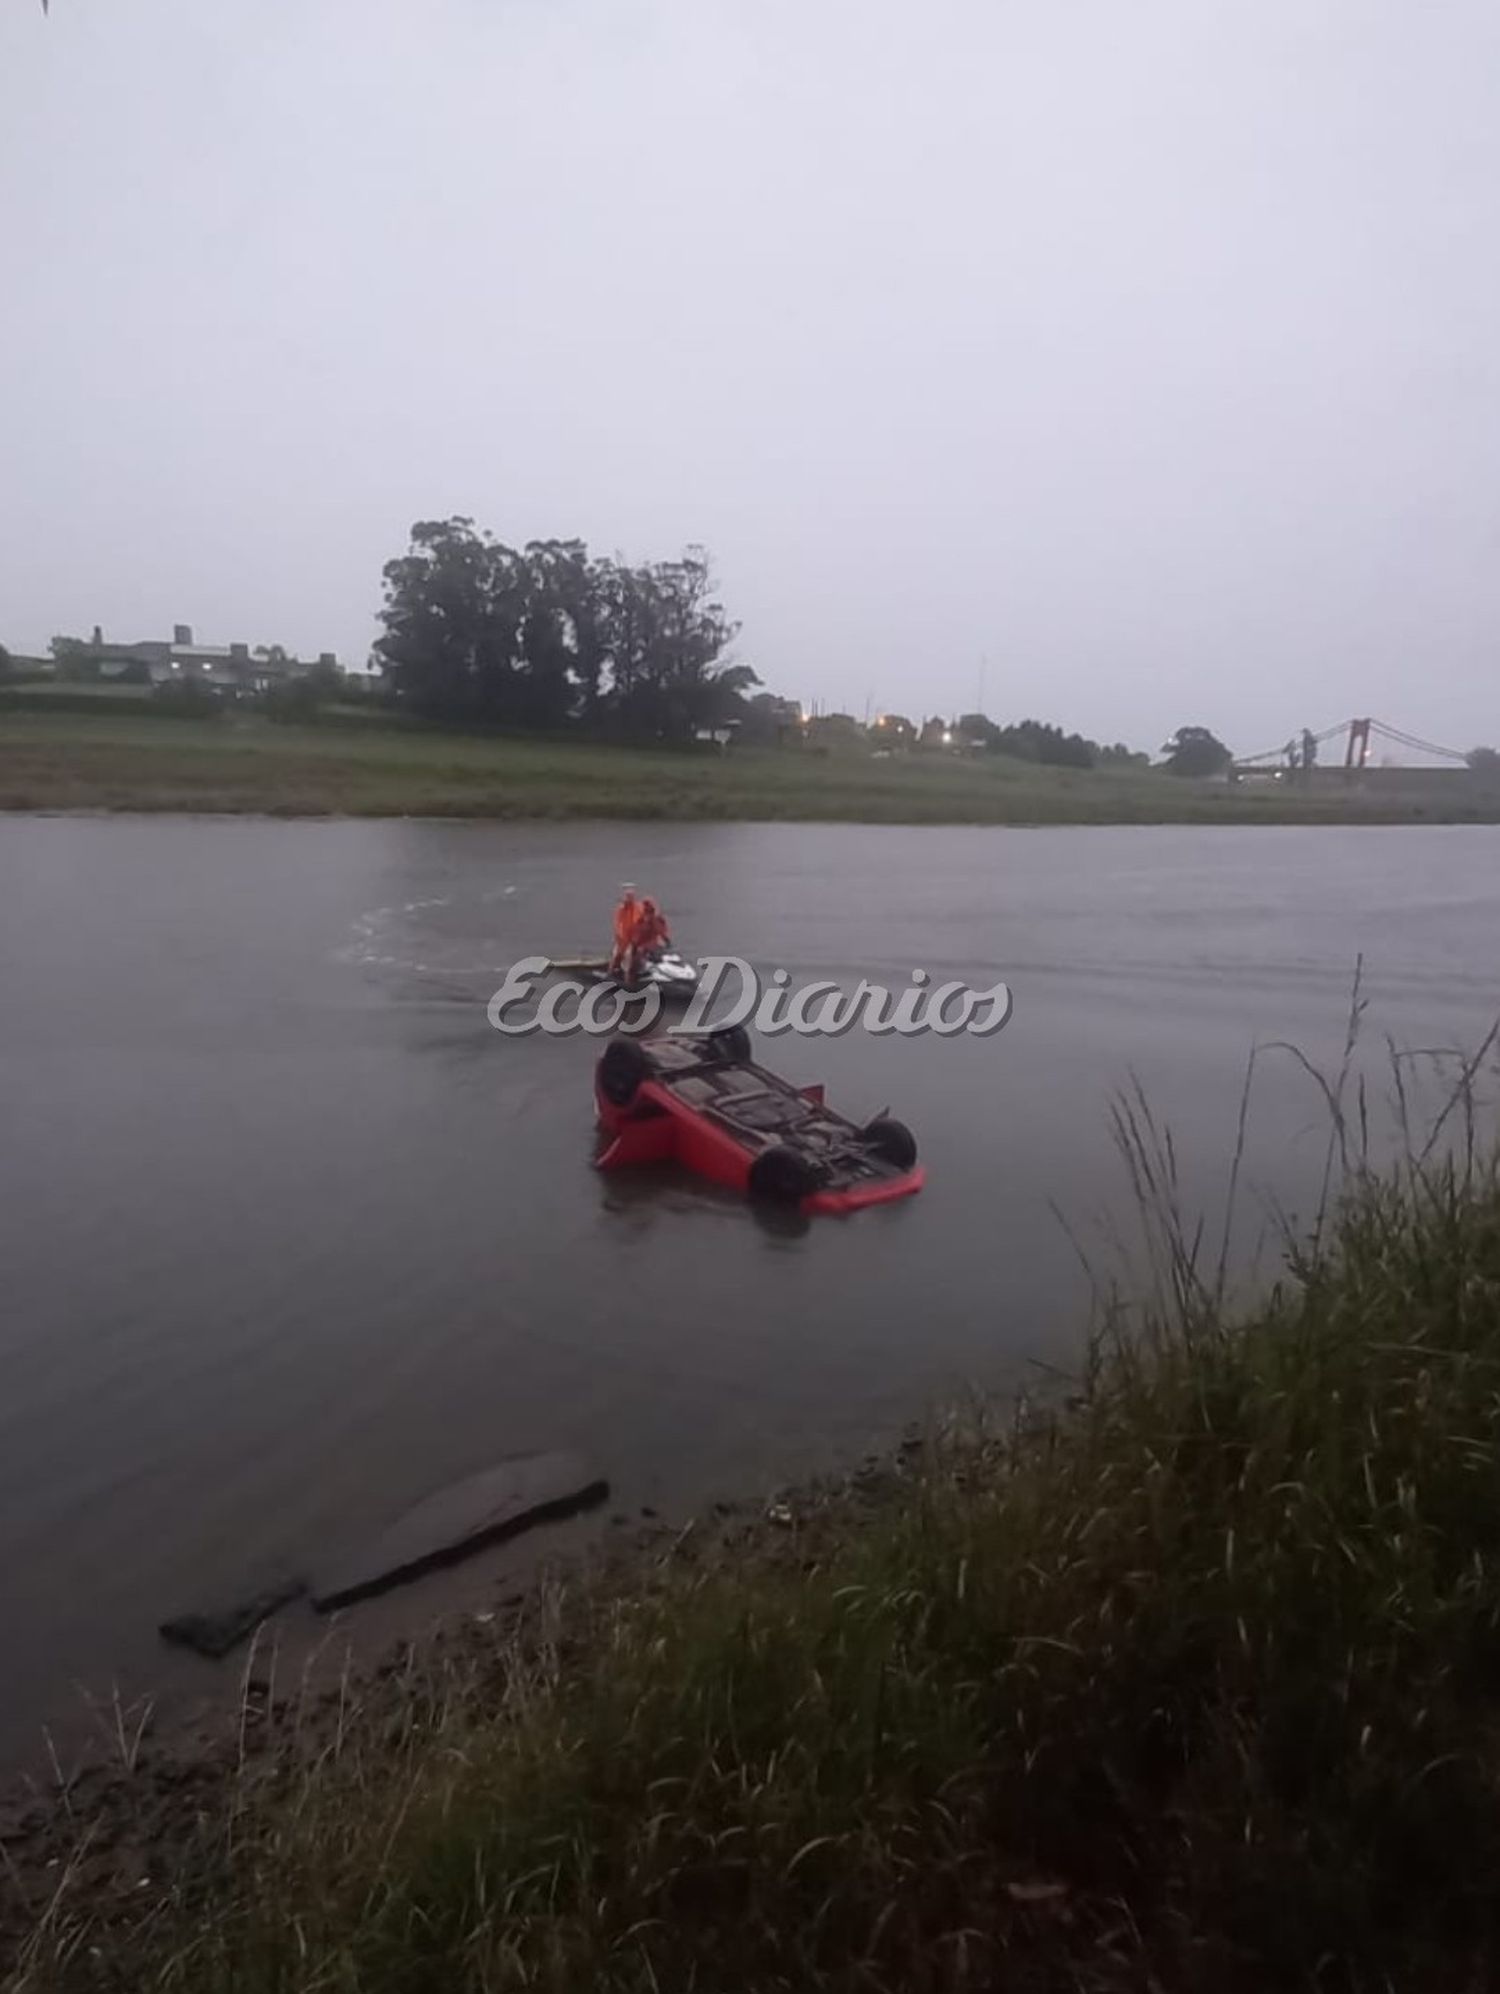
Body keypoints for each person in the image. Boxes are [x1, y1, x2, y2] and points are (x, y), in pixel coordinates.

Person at [608, 884, 639, 979]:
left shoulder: (637, 908)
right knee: (616, 955)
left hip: (631, 939)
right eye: (628, 896)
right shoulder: (621, 909)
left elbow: (637, 922)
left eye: (631, 896)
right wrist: (619, 935)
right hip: (622, 938)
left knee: (628, 957)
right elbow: (618, 923)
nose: (629, 898)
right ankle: (609, 974)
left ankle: (627, 979)